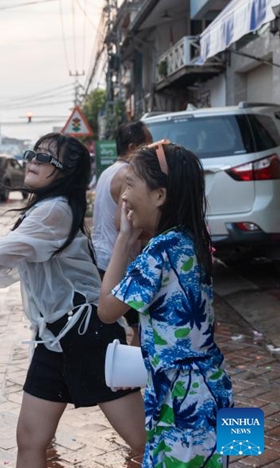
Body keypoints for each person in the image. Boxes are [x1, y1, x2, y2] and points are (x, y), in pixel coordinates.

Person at [0, 133, 146, 467]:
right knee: (30, 440)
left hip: (88, 337)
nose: (33, 160)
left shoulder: (55, 212)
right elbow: (1, 265)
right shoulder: (46, 210)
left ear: (65, 173)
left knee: (144, 441)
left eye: (46, 158)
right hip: (53, 338)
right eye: (33, 153)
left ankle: (218, 446)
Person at [98, 141, 233, 468]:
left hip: (181, 402)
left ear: (159, 196)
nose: (123, 195)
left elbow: (106, 309)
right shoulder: (194, 236)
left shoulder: (159, 253)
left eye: (130, 184)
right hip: (216, 387)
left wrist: (123, 239)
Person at [93, 122, 153, 346]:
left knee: (116, 324)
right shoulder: (129, 173)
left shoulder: (108, 171)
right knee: (140, 327)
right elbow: (123, 223)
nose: (153, 149)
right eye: (148, 144)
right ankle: (135, 376)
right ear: (132, 147)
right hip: (118, 262)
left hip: (102, 257)